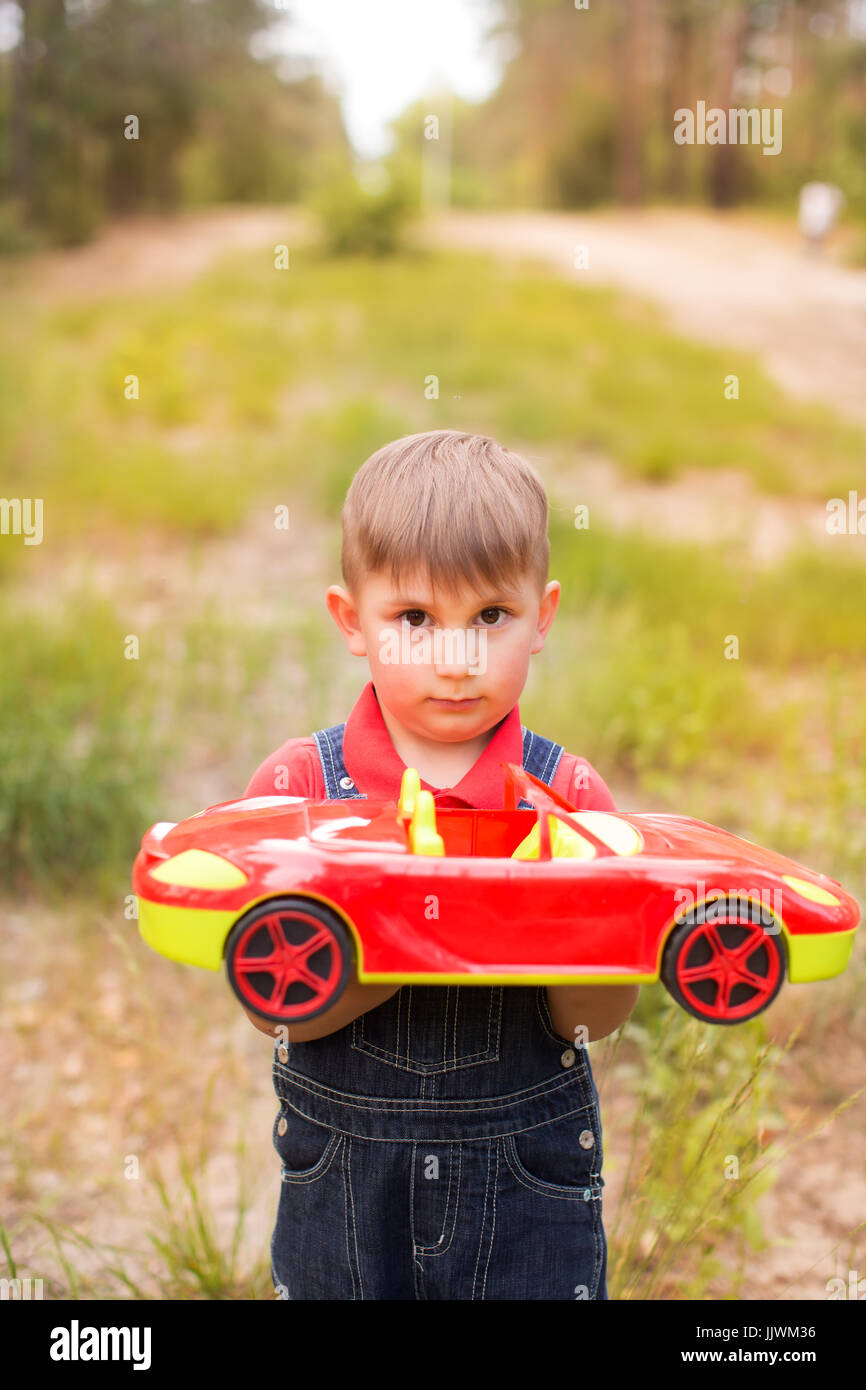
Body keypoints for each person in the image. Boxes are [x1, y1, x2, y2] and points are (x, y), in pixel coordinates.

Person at [241, 429, 639, 1300]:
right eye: (415, 619)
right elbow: (273, 1009)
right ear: (353, 622)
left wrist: (574, 926)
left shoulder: (567, 797)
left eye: (490, 617)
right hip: (348, 1187)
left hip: (525, 1180)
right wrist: (417, 940)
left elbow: (594, 1020)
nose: (455, 659)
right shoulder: (301, 790)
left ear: (543, 617)